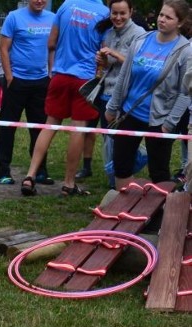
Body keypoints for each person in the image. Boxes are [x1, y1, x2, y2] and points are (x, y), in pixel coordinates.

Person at [19, 0, 109, 197]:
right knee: (78, 128)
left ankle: (30, 175)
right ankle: (69, 183)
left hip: (60, 74)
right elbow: (104, 53)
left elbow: (51, 43)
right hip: (84, 79)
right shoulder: (104, 12)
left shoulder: (66, 5)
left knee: (50, 124)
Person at [106, 0, 190, 189]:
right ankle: (123, 208)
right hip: (130, 113)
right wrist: (113, 106)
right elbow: (124, 76)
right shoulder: (142, 40)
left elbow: (185, 93)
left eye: (168, 17)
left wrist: (169, 124)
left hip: (158, 121)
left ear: (180, 22)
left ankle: (159, 215)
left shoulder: (186, 51)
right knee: (121, 166)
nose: (162, 20)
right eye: (161, 14)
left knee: (159, 172)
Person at [0, 0, 55, 187]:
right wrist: (10, 76)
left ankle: (40, 171)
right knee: (7, 127)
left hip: (41, 82)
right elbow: (4, 48)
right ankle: (2, 171)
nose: (39, 1)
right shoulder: (14, 17)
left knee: (40, 128)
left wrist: (51, 74)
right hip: (16, 81)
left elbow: (52, 49)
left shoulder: (53, 18)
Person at [88, 0, 146, 190]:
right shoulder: (110, 33)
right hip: (107, 93)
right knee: (109, 140)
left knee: (122, 142)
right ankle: (115, 179)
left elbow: (139, 65)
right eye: (114, 13)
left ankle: (125, 173)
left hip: (126, 96)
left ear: (131, 12)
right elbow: (109, 66)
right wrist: (103, 60)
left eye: (122, 13)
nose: (118, 17)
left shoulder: (139, 34)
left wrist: (113, 53)